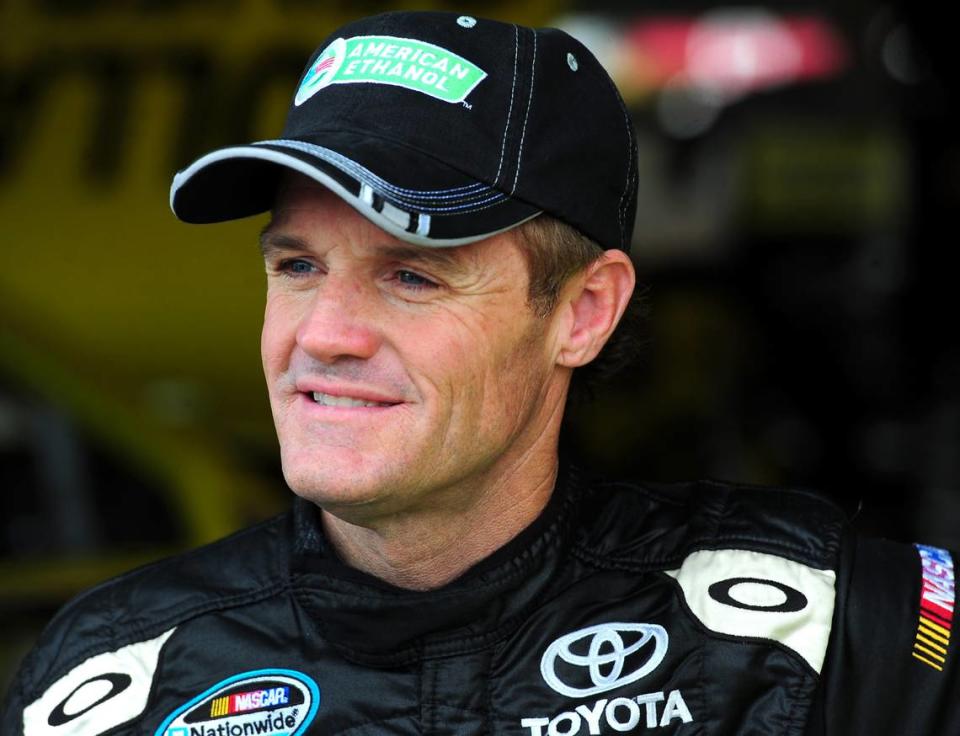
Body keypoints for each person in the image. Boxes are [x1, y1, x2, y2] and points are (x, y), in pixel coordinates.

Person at [2, 10, 957, 736]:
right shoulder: (108, 680)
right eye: (297, 266)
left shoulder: (830, 627)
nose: (323, 334)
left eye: (412, 275)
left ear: (583, 312)